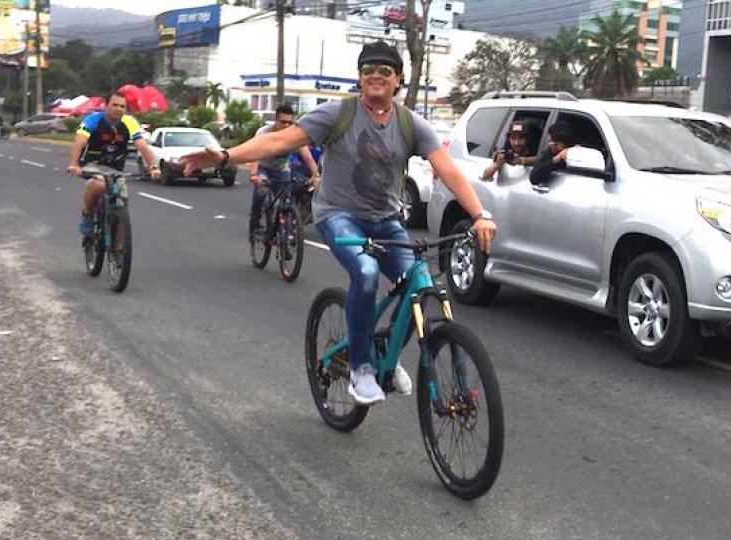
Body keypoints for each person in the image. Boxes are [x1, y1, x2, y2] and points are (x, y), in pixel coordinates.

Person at [180, 41, 497, 405]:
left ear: (398, 79)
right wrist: (225, 156)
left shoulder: (410, 124)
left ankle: (387, 354)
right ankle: (361, 367)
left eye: (385, 70)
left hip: (385, 219)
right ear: (359, 78)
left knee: (419, 284)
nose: (375, 75)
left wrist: (480, 215)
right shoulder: (338, 113)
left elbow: (448, 170)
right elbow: (280, 141)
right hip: (338, 215)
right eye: (367, 69)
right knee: (365, 271)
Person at [66, 92, 159, 245]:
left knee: (122, 204)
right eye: (114, 105)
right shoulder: (93, 119)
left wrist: (153, 167)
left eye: (122, 106)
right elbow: (79, 142)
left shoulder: (129, 122)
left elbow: (142, 146)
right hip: (94, 165)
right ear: (106, 106)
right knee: (98, 185)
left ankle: (118, 249)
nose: (118, 109)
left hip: (116, 169)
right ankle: (88, 216)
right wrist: (73, 164)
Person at [249, 105, 319, 239]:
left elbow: (308, 157)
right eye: (283, 122)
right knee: (261, 192)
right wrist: (253, 174)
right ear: (276, 120)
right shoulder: (264, 133)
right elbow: (254, 154)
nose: (286, 125)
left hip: (281, 169)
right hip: (263, 167)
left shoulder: (294, 135)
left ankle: (285, 230)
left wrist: (316, 175)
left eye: (289, 122)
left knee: (286, 200)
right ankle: (255, 224)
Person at [529, 120, 577, 187]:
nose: (550, 144)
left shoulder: (576, 154)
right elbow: (534, 178)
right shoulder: (549, 154)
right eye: (549, 141)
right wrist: (554, 160)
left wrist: (572, 152)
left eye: (553, 142)